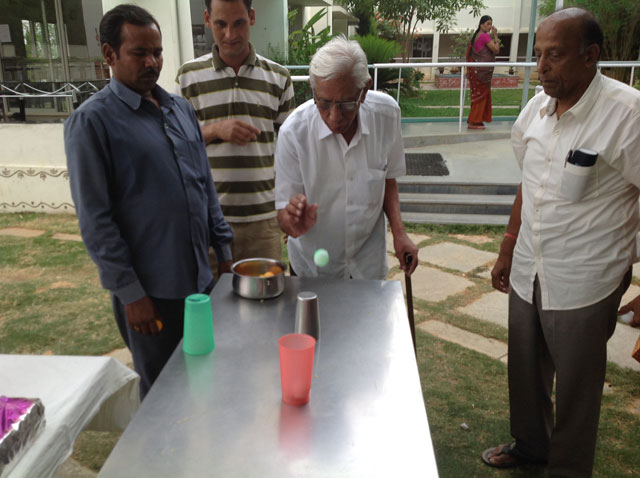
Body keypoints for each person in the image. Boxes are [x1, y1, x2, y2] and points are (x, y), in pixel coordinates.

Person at [483, 8, 640, 477]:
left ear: (591, 56)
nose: (541, 68)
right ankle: (531, 447)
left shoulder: (627, 115)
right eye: (538, 56)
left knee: (576, 388)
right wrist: (508, 248)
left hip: (585, 280)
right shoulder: (536, 109)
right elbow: (528, 187)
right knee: (526, 373)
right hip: (530, 269)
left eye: (555, 56)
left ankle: (568, 469)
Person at [64, 4, 233, 399]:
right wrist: (131, 294)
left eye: (157, 52)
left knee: (207, 379)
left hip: (201, 282)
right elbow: (96, 220)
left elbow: (203, 184)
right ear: (109, 54)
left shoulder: (179, 109)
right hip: (151, 295)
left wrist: (223, 250)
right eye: (140, 53)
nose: (152, 62)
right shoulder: (92, 123)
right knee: (163, 395)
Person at [275, 36, 418, 280]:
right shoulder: (293, 132)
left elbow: (387, 179)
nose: (334, 116)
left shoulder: (387, 115)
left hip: (367, 262)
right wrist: (292, 223)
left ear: (365, 90)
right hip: (312, 268)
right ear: (313, 90)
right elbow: (283, 215)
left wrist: (400, 233)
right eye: (324, 102)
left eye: (346, 103)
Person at [175, 0, 295, 275]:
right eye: (221, 24)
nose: (230, 34)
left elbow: (291, 154)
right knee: (213, 310)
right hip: (209, 221)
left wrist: (289, 206)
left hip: (263, 224)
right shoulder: (188, 77)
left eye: (238, 22)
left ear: (251, 17)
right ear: (207, 19)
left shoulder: (278, 78)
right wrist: (216, 131)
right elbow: (174, 146)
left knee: (264, 309)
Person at [466, 15, 499, 130]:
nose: (490, 26)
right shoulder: (484, 36)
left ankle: (475, 120)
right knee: (480, 96)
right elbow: (496, 50)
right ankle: (474, 122)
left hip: (478, 72)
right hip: (481, 73)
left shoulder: (477, 36)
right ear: (481, 25)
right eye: (488, 24)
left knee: (479, 96)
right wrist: (495, 35)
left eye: (491, 24)